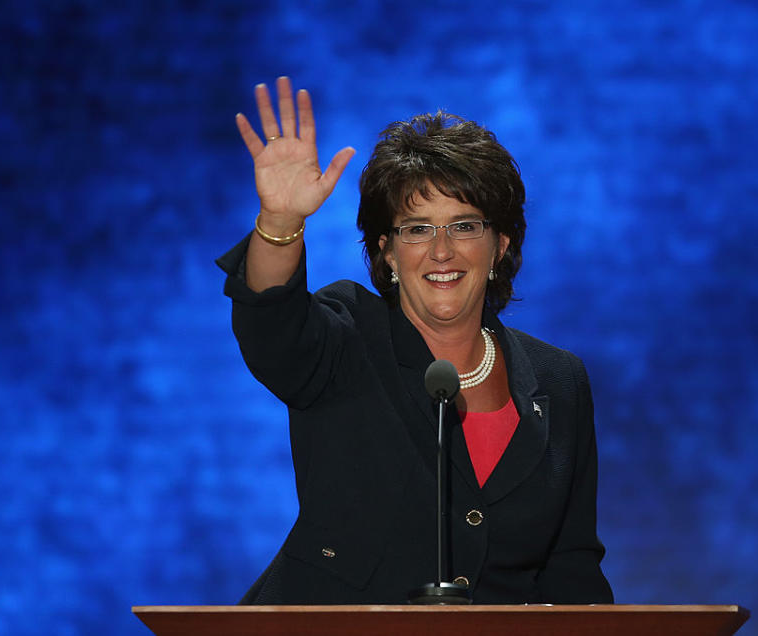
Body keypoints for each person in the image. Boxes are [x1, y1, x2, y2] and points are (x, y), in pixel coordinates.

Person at [217, 76, 613, 605]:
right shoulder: (347, 337)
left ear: (501, 246)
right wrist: (281, 221)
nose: (441, 251)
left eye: (465, 226)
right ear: (387, 252)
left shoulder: (560, 381)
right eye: (417, 228)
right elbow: (272, 324)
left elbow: (571, 567)